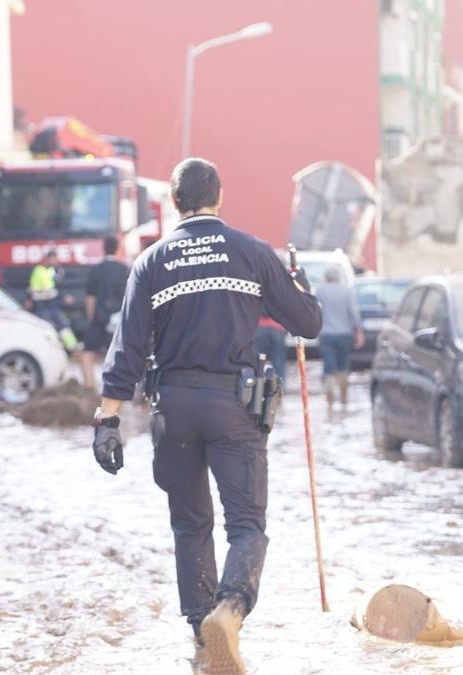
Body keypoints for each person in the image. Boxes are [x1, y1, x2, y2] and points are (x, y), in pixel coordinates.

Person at [91, 158, 321, 673]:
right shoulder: (251, 251)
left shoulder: (152, 262)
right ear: (221, 195)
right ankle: (231, 608)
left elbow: (125, 347)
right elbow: (307, 322)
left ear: (175, 202)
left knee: (189, 523)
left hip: (172, 409)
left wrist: (107, 421)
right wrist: (300, 284)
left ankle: (201, 635)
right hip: (233, 410)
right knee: (246, 526)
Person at [79, 235, 130, 390]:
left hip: (99, 317)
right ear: (117, 248)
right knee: (121, 355)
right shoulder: (125, 269)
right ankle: (119, 389)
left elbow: (90, 297)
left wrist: (91, 318)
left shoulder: (95, 269)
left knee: (87, 352)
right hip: (120, 319)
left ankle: (89, 387)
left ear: (103, 248)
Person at [314, 267, 364, 413]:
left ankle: (330, 399)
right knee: (343, 364)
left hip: (326, 334)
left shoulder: (321, 291)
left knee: (329, 366)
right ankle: (344, 397)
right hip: (345, 334)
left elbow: (315, 311)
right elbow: (354, 312)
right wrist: (359, 331)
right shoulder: (347, 291)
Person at [28, 249, 78, 351]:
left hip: (51, 305)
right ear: (47, 259)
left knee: (63, 325)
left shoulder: (51, 271)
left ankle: (73, 348)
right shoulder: (38, 271)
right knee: (45, 330)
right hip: (41, 306)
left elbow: (57, 285)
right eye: (53, 259)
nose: (55, 262)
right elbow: (37, 291)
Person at [254, 316, 288, 390]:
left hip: (259, 325)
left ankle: (256, 387)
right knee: (278, 361)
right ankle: (280, 387)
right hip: (277, 326)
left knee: (257, 361)